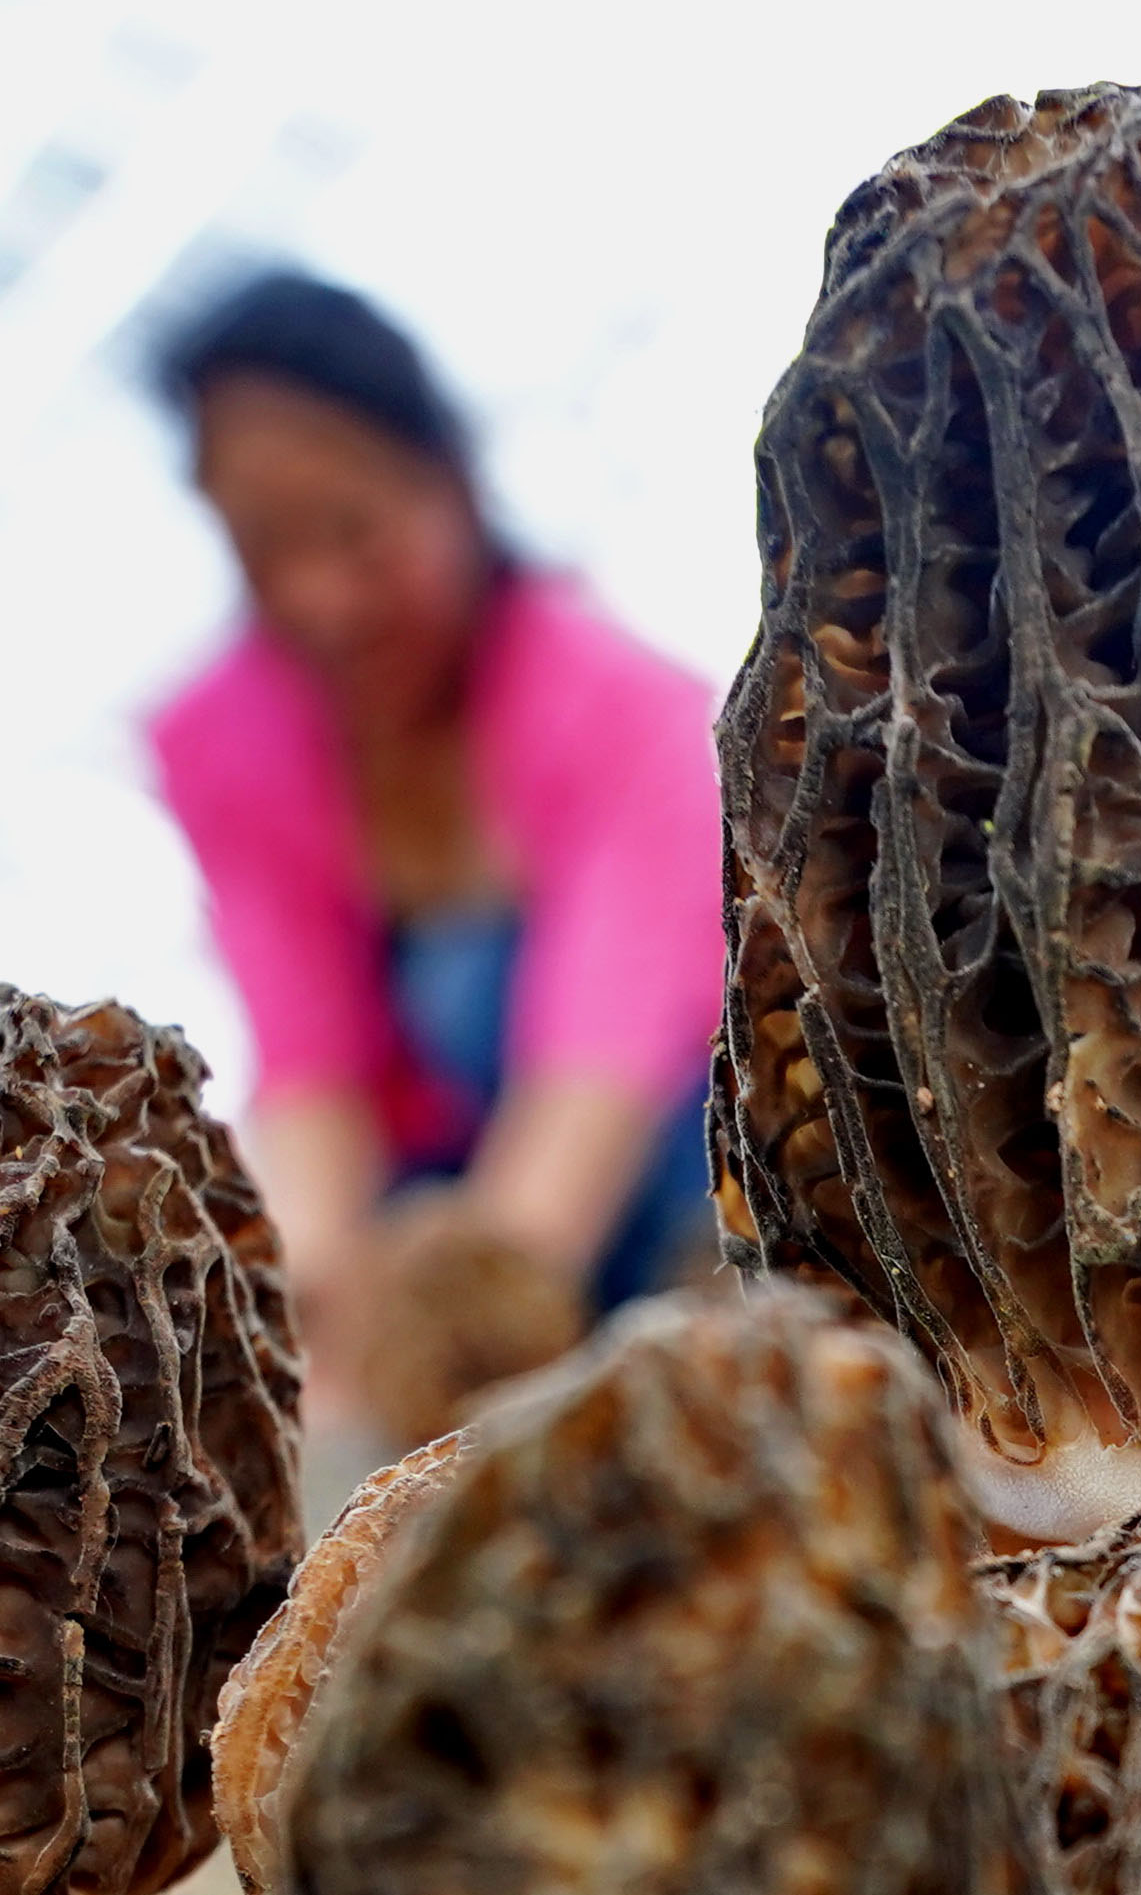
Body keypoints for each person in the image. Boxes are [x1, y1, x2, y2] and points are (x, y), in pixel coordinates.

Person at [143, 271, 719, 1438]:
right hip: (420, 1209)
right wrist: (303, 1306)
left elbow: (599, 1060)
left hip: (646, 1202)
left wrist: (453, 1353)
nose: (319, 598)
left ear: (448, 479)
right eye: (264, 550)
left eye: (354, 531)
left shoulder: (617, 706)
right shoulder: (226, 741)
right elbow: (310, 1067)